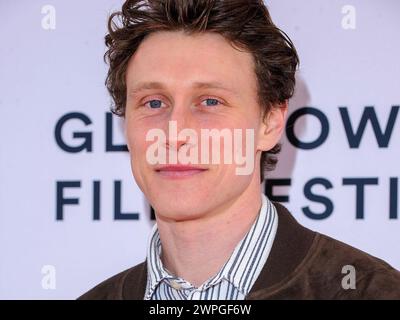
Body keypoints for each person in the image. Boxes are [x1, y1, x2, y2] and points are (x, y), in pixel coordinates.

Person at [79, 0, 400, 299]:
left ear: (270, 122)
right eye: (153, 102)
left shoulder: (371, 291)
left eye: (209, 101)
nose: (174, 133)